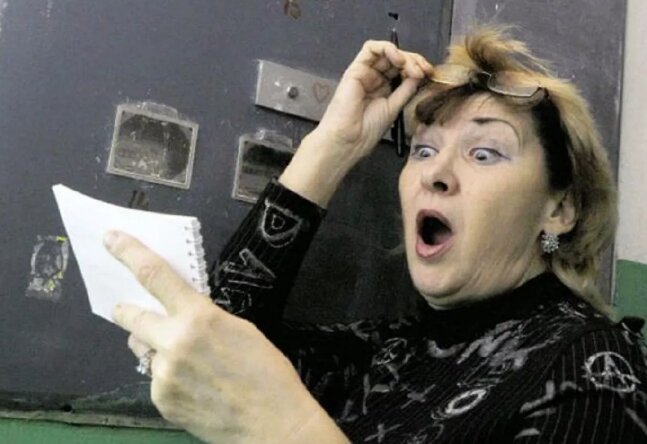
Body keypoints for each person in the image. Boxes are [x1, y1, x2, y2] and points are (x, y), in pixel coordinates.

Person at [104, 27, 647, 443]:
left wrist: (284, 429)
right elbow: (221, 338)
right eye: (425, 150)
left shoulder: (590, 367)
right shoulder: (391, 349)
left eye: (484, 153)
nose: (436, 173)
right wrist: (332, 145)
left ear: (560, 209)